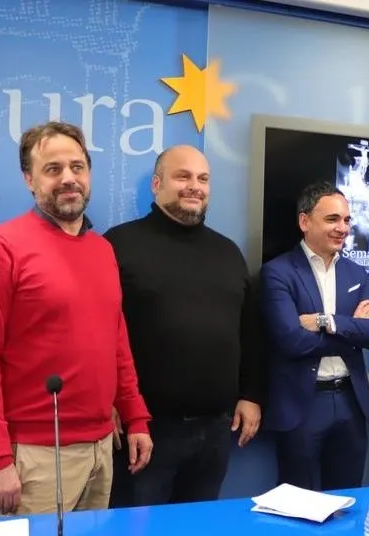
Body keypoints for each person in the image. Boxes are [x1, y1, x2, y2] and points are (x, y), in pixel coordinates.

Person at [0, 121, 153, 516]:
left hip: (102, 449)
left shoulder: (102, 251)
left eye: (78, 167)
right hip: (35, 457)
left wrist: (135, 416)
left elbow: (116, 342)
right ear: (29, 179)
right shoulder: (0, 249)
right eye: (53, 169)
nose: (68, 178)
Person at [104, 145, 265, 506]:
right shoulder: (118, 245)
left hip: (216, 431)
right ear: (157, 185)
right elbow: (96, 332)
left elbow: (249, 332)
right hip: (145, 431)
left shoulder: (228, 252)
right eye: (183, 176)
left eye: (203, 178)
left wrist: (251, 395)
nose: (195, 186)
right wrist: (109, 401)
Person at [261, 181, 369, 491]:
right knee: (296, 504)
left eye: (346, 220)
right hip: (303, 405)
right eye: (332, 219)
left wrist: (326, 321)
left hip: (350, 402)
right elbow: (291, 340)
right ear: (305, 222)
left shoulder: (356, 274)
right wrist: (351, 330)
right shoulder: (278, 272)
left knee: (347, 501)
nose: (342, 228)